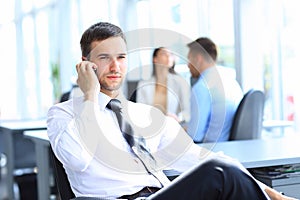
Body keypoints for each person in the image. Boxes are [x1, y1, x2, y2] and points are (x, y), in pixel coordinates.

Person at [47, 22, 295, 200]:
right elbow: (78, 159)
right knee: (220, 174)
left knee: (219, 168)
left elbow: (200, 158)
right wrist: (89, 96)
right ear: (84, 64)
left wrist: (274, 195)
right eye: (104, 57)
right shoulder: (64, 115)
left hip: (162, 193)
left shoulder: (144, 115)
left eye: (121, 57)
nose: (115, 66)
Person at [186, 37, 244, 143]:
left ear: (198, 59)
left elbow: (195, 136)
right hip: (232, 147)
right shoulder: (230, 80)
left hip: (212, 150)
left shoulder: (202, 87)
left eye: (189, 59)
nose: (188, 65)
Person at [136, 47, 190, 123]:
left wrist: (177, 118)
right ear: (155, 59)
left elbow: (187, 110)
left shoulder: (180, 82)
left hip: (173, 126)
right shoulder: (143, 84)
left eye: (170, 54)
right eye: (164, 54)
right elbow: (140, 111)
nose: (168, 56)